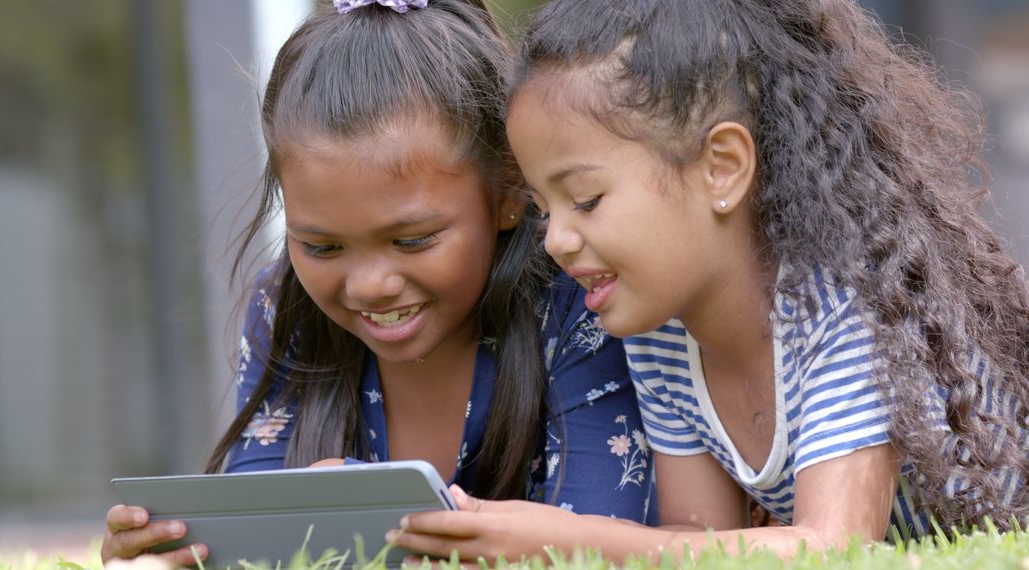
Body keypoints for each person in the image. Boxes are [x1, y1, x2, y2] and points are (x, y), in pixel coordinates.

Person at [391, 0, 1029, 562]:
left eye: (585, 199)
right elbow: (698, 540)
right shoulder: (660, 333)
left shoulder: (840, 307)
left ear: (722, 168)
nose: (555, 239)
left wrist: (571, 539)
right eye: (542, 207)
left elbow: (834, 549)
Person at [100, 0, 655, 565]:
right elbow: (256, 533)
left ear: (509, 190)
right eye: (321, 247)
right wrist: (177, 549)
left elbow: (597, 534)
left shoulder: (573, 302)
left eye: (412, 239)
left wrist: (355, 504)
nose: (369, 285)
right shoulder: (286, 309)